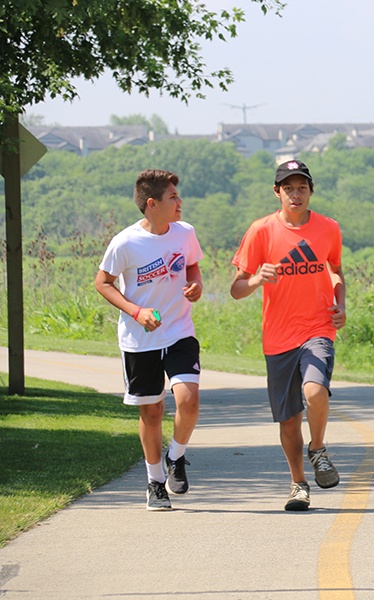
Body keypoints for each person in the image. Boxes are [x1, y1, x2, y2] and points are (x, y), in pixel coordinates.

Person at [230, 159, 347, 512]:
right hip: (279, 337)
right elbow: (236, 288)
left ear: (311, 191)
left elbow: (336, 270)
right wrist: (255, 280)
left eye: (302, 188)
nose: (296, 195)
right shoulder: (261, 231)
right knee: (288, 419)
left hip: (317, 329)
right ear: (277, 192)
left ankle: (318, 448)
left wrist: (340, 304)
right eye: (289, 188)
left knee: (315, 392)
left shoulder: (328, 228)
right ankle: (298, 484)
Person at [95, 169, 204, 511]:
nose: (180, 202)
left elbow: (193, 266)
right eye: (173, 197)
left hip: (179, 331)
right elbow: (103, 283)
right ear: (153, 204)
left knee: (188, 399)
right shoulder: (125, 242)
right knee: (152, 411)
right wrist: (136, 311)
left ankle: (177, 457)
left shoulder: (185, 233)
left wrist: (195, 285)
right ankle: (155, 481)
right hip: (139, 340)